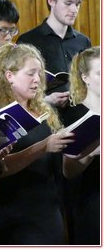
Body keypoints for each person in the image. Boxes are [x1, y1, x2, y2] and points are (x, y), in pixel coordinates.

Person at [0, 43, 74, 244]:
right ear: (9, 76)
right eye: (30, 74)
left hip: (48, 207)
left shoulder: (43, 109)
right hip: (13, 212)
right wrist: (43, 146)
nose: (37, 80)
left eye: (39, 74)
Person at [17, 0, 91, 108]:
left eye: (77, 4)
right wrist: (46, 100)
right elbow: (19, 88)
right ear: (51, 0)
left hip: (80, 112)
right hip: (45, 115)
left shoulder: (83, 41)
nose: (74, 10)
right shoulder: (28, 40)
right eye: (68, 3)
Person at [61, 46, 100, 244]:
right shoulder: (73, 114)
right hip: (90, 198)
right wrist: (93, 152)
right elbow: (68, 171)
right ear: (85, 78)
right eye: (100, 73)